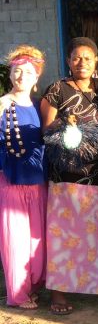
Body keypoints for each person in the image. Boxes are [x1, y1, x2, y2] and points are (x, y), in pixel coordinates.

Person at [41, 37, 98, 315]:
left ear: (96, 60)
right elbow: (46, 128)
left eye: (88, 58)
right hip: (68, 176)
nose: (82, 63)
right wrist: (66, 125)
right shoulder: (57, 89)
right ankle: (59, 293)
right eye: (76, 57)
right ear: (68, 60)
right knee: (65, 235)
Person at [0, 45, 47, 310]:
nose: (21, 76)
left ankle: (33, 286)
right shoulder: (3, 104)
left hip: (38, 180)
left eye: (27, 72)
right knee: (15, 240)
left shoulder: (41, 106)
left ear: (36, 77)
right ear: (10, 74)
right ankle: (17, 294)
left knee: (36, 240)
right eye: (17, 71)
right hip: (11, 180)